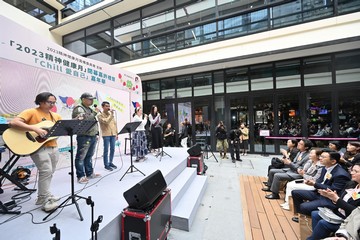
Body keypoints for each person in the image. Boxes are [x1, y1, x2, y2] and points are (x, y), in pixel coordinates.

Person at [9, 92, 61, 212]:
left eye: (54, 102)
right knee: (46, 171)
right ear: (41, 101)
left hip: (53, 146)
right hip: (37, 147)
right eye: (50, 102)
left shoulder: (56, 116)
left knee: (50, 172)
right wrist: (35, 128)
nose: (52, 105)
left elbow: (60, 129)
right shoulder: (31, 112)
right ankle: (44, 198)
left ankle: (44, 194)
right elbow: (14, 123)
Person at [292, 150, 351, 223]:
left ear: (333, 161)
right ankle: (301, 216)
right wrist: (313, 183)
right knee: (295, 193)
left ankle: (310, 218)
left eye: (323, 157)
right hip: (319, 193)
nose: (320, 158)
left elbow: (334, 190)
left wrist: (315, 184)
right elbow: (320, 180)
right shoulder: (325, 167)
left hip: (328, 199)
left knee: (304, 206)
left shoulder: (341, 174)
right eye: (320, 156)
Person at [307, 163, 360, 239]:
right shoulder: (351, 184)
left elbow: (356, 212)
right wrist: (331, 196)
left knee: (323, 224)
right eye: (352, 170)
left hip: (350, 221)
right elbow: (340, 199)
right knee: (315, 214)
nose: (351, 173)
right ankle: (317, 235)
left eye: (356, 171)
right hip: (338, 213)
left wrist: (336, 199)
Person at [72, 93, 101, 184]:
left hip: (92, 135)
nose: (92, 101)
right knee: (81, 157)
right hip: (84, 136)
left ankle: (89, 173)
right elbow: (85, 119)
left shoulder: (89, 108)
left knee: (89, 156)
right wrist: (95, 112)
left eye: (92, 99)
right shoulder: (79, 108)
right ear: (83, 99)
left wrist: (96, 134)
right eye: (89, 99)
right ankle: (80, 176)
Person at [97, 101, 118, 171]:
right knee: (106, 150)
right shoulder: (100, 115)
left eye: (109, 106)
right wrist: (111, 114)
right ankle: (106, 165)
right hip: (106, 135)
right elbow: (106, 122)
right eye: (106, 106)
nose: (108, 108)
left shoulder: (110, 114)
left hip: (113, 134)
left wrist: (116, 133)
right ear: (102, 107)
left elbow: (114, 124)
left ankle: (110, 162)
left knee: (112, 149)